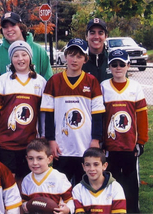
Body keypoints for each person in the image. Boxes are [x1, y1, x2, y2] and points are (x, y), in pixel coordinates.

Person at [41, 38, 105, 185]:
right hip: (62, 147)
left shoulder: (91, 81)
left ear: (85, 59)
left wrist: (96, 139)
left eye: (79, 56)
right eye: (71, 55)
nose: (74, 59)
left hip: (85, 145)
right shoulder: (54, 82)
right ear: (65, 56)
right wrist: (51, 140)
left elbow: (97, 115)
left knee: (86, 186)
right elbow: (48, 115)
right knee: (61, 186)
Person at [0, 40, 47, 181]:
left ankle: (24, 202)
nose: (20, 59)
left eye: (24, 55)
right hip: (6, 140)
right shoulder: (2, 81)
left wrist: (43, 133)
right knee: (8, 177)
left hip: (29, 139)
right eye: (16, 56)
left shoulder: (40, 81)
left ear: (30, 57)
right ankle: (9, 203)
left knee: (27, 177)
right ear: (11, 59)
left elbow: (43, 113)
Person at [101, 49, 148, 213]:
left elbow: (141, 116)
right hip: (111, 145)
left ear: (128, 65)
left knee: (130, 181)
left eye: (122, 64)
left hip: (129, 145)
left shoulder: (135, 87)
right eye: (114, 64)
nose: (118, 67)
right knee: (112, 180)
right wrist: (101, 140)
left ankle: (133, 209)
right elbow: (101, 117)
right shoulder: (104, 87)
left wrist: (141, 141)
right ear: (109, 67)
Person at [0, 11, 52, 98]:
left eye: (13, 25)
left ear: (21, 27)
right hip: (7, 108)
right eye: (5, 27)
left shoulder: (39, 51)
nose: (9, 30)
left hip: (35, 107)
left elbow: (48, 81)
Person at [21, 138, 74, 214]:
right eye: (31, 158)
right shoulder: (26, 180)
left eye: (40, 158)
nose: (35, 162)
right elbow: (25, 201)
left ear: (49, 159)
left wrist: (67, 209)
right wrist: (25, 205)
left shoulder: (59, 177)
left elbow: (70, 200)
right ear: (27, 158)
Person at [72, 147, 126, 213]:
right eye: (87, 165)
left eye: (96, 164)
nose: (92, 169)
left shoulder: (115, 187)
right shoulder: (78, 190)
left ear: (104, 166)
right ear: (83, 167)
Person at [82, 18, 112, 83]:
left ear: (106, 36)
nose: (96, 36)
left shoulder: (114, 60)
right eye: (92, 33)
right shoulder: (79, 62)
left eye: (100, 33)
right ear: (86, 36)